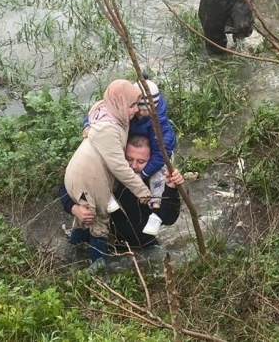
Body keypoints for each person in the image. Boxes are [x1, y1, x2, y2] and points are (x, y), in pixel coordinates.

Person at [64, 80, 152, 261]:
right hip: (88, 177)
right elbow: (119, 166)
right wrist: (142, 190)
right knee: (100, 222)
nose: (136, 110)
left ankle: (71, 254)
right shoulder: (108, 129)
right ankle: (99, 267)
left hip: (81, 173)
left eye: (137, 104)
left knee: (86, 218)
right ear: (119, 104)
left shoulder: (106, 112)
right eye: (132, 105)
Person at [59, 134, 185, 251]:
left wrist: (171, 188)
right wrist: (74, 208)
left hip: (141, 245)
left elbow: (168, 219)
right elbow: (67, 187)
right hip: (103, 238)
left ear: (151, 161)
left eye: (141, 162)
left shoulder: (155, 181)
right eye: (129, 159)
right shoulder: (111, 170)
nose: (134, 166)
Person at [130, 76, 177, 236]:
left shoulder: (160, 124)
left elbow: (160, 156)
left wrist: (142, 174)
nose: (140, 113)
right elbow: (101, 111)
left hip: (159, 157)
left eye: (145, 110)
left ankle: (156, 213)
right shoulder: (132, 111)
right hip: (137, 147)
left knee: (158, 179)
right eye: (138, 107)